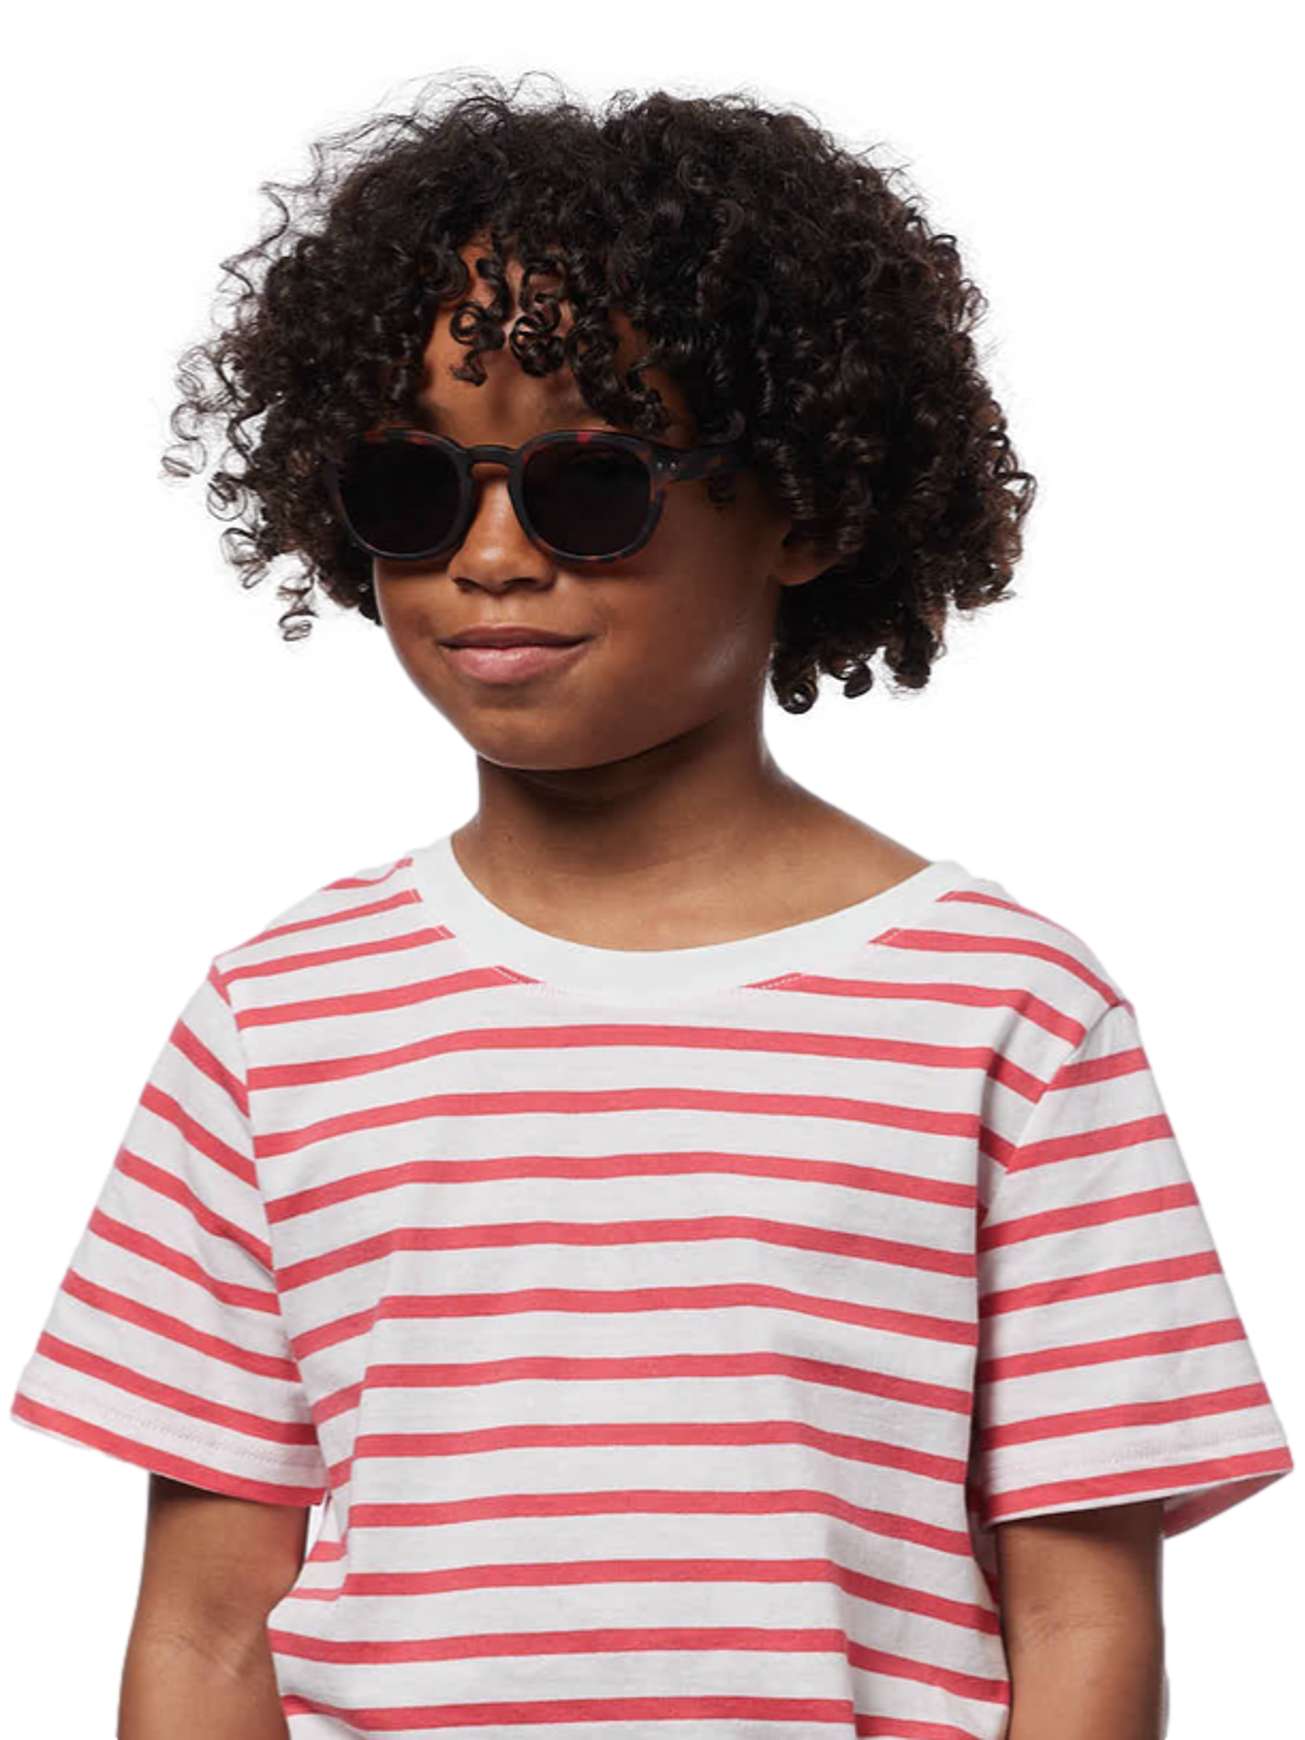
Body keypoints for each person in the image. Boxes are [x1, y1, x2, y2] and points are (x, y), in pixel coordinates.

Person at [9, 70, 1293, 1740]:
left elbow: (1081, 1615)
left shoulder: (1007, 1016)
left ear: (807, 506)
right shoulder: (277, 1019)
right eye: (415, 489)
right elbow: (200, 1631)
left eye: (587, 486)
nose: (489, 556)